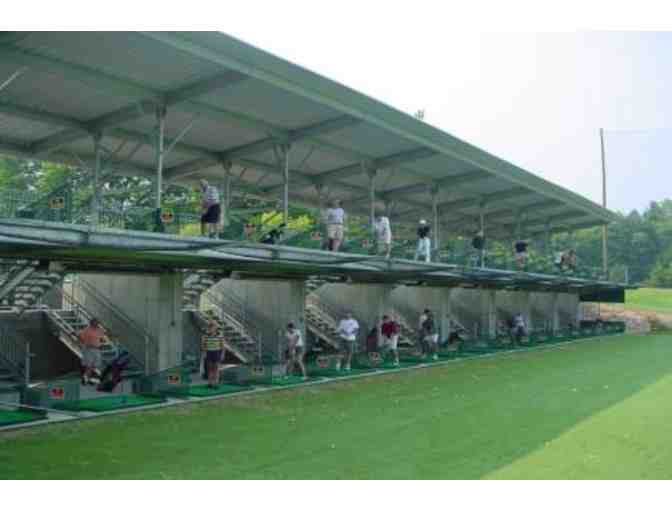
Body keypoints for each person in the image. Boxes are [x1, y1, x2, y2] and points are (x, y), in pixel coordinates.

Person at [78, 318, 105, 385]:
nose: (97, 324)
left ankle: (88, 378)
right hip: (89, 349)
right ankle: (85, 380)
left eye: (97, 323)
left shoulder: (99, 330)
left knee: (96, 365)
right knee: (89, 366)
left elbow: (101, 338)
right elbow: (80, 336)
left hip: (97, 349)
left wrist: (100, 343)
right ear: (91, 323)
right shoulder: (87, 330)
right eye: (95, 322)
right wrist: (85, 343)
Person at [203, 321, 224, 388]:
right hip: (209, 352)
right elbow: (204, 345)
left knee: (216, 369)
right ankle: (210, 383)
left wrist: (222, 354)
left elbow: (222, 346)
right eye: (210, 327)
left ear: (215, 328)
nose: (211, 329)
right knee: (210, 369)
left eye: (213, 327)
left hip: (216, 352)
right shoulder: (206, 336)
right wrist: (204, 353)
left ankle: (216, 383)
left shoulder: (219, 336)